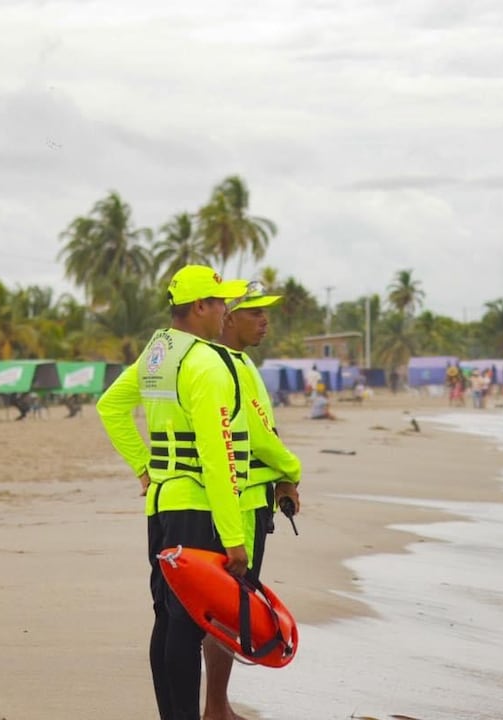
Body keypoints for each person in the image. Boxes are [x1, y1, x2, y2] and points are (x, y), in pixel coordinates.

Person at [97, 265, 250, 720]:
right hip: (198, 511)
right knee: (187, 624)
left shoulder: (158, 353)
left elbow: (111, 407)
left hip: (161, 506)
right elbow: (218, 458)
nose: (226, 310)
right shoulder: (205, 363)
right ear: (200, 306)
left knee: (167, 619)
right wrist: (234, 535)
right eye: (220, 301)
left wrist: (146, 468)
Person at [206, 283, 303, 720]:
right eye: (255, 313)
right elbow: (262, 437)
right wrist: (292, 471)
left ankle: (214, 705)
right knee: (227, 605)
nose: (265, 321)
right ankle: (215, 708)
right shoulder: (232, 366)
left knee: (210, 605)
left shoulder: (230, 362)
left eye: (267, 313)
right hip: (241, 502)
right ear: (228, 317)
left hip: (231, 495)